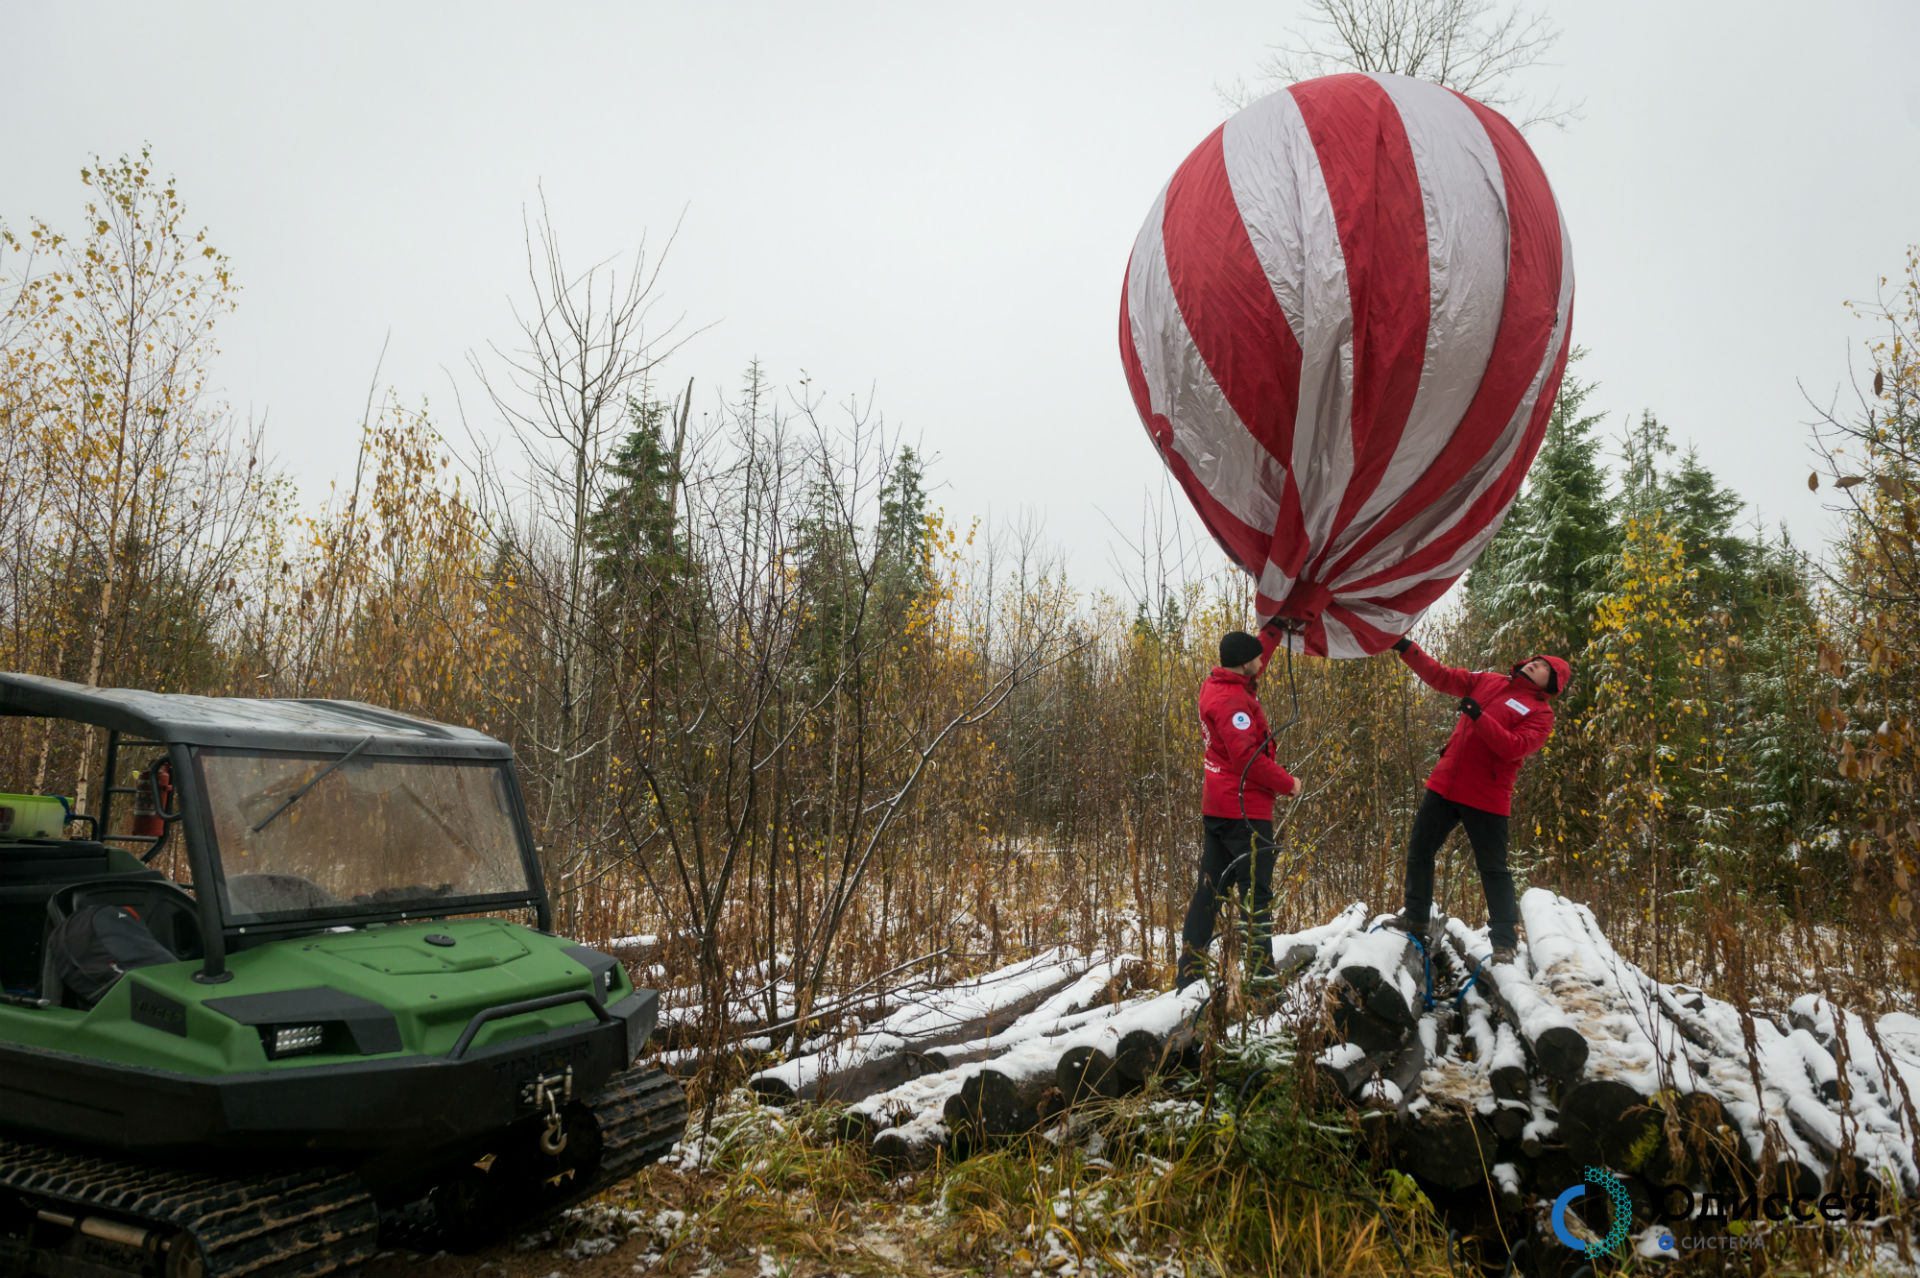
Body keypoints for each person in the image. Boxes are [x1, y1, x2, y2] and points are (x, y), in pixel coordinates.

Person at [1384, 636, 1571, 964]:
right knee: (1420, 849)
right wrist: (1405, 647)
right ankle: (1416, 916)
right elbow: (1440, 676)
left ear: (1551, 682)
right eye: (1535, 659)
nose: (1534, 663)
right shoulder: (1488, 681)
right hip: (1445, 784)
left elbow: (1513, 747)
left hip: (1487, 795)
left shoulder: (1541, 714)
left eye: (1543, 666)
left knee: (1493, 868)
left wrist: (1480, 717)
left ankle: (1504, 941)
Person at [1177, 630, 1301, 991]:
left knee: (1209, 893)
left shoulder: (1217, 684)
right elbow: (1247, 759)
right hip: (1243, 811)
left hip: (1219, 806)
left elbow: (1253, 656)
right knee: (1256, 895)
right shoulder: (1232, 702)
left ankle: (1189, 976)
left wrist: (1276, 628)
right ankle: (1262, 981)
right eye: (1258, 658)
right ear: (1244, 663)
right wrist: (1288, 783)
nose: (1263, 663)